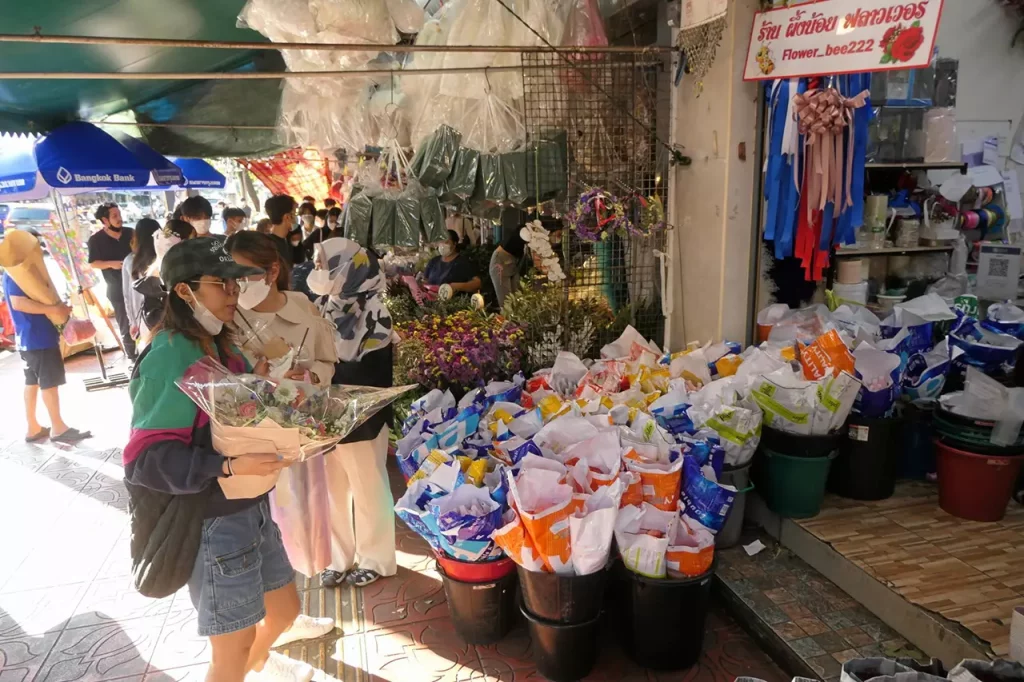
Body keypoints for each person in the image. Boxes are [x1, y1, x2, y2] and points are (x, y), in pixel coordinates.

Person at [123, 238, 328, 682]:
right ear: (184, 291)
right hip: (214, 519)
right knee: (232, 646)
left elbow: (230, 413)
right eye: (222, 284)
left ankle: (258, 664)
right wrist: (228, 467)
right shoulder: (172, 354)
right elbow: (146, 460)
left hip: (252, 507)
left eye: (237, 284)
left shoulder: (221, 343)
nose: (235, 293)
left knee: (284, 611)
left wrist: (268, 386)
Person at [307, 238, 396, 588]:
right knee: (332, 490)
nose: (317, 271)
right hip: (325, 416)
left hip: (363, 419)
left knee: (369, 489)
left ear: (348, 269)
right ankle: (337, 558)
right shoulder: (320, 306)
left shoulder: (375, 312)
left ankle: (376, 559)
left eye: (323, 265)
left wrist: (324, 374)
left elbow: (374, 375)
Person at [225, 231, 336, 385]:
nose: (236, 285)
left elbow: (326, 362)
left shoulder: (304, 306)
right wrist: (256, 381)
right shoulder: (228, 318)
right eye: (230, 277)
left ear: (273, 272)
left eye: (243, 275)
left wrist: (313, 376)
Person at [3, 269, 91, 445]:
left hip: (28, 337)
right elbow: (18, 303)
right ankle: (58, 428)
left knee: (32, 381)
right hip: (38, 337)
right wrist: (55, 309)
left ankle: (33, 427)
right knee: (48, 382)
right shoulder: (16, 271)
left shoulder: (11, 271)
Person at [88, 202, 137, 361]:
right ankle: (132, 356)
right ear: (105, 220)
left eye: (119, 214)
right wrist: (111, 264)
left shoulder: (130, 233)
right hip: (116, 288)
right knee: (125, 323)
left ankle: (146, 351)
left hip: (137, 284)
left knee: (142, 319)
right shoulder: (96, 240)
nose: (119, 218)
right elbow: (93, 263)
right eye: (114, 216)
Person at [122, 219, 160, 344]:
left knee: (149, 349)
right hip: (166, 316)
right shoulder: (164, 257)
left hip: (143, 317)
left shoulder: (130, 261)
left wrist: (132, 322)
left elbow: (127, 295)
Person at [489, 224, 527, 308]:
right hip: (501, 261)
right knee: (507, 303)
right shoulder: (526, 230)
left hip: (512, 261)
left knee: (518, 300)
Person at [264, 195, 306, 266]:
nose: (296, 217)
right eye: (294, 213)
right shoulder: (268, 245)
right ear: (287, 217)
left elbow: (299, 260)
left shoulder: (288, 238)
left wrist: (296, 243)